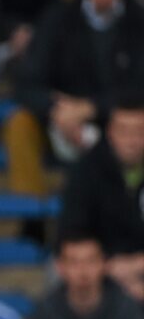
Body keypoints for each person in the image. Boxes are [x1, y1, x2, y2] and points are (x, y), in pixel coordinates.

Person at [6, 0, 144, 202]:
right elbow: (26, 83)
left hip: (126, 123)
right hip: (61, 122)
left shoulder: (140, 22)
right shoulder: (56, 19)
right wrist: (56, 110)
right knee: (20, 124)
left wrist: (91, 108)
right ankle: (31, 216)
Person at [57, 93, 144, 303]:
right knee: (62, 272)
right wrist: (106, 268)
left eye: (139, 131)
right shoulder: (85, 172)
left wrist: (137, 266)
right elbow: (72, 232)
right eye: (124, 131)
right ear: (110, 132)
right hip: (101, 268)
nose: (131, 140)